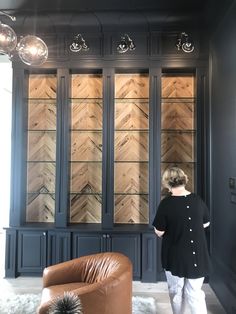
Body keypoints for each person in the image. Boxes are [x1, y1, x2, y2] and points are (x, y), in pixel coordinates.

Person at [152, 167, 211, 314]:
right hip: (198, 255)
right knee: (195, 293)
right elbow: (206, 223)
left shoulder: (166, 204)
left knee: (176, 292)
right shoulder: (197, 199)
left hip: (175, 255)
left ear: (167, 183)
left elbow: (159, 231)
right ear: (184, 179)